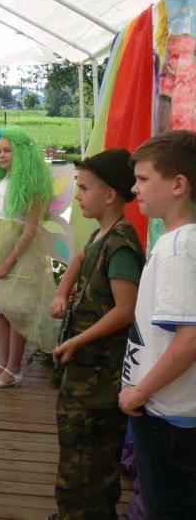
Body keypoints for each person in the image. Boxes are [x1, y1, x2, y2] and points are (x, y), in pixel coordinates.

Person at [46, 148, 143, 520]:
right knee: (75, 456)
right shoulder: (102, 235)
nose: (77, 195)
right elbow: (78, 259)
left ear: (110, 194)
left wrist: (77, 340)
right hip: (84, 373)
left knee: (91, 465)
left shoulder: (121, 245)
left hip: (100, 379)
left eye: (84, 188)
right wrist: (61, 292)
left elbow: (125, 309)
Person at [119, 130, 196, 519]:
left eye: (143, 179)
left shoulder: (178, 250)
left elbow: (190, 339)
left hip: (168, 416)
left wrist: (139, 392)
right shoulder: (179, 243)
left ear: (178, 185)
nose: (135, 188)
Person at [0, 126, 57, 388]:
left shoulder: (32, 186)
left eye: (8, 150)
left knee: (17, 311)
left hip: (19, 255)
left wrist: (7, 262)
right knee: (1, 309)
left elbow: (30, 230)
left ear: (22, 153)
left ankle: (14, 368)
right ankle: (3, 363)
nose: (2, 155)